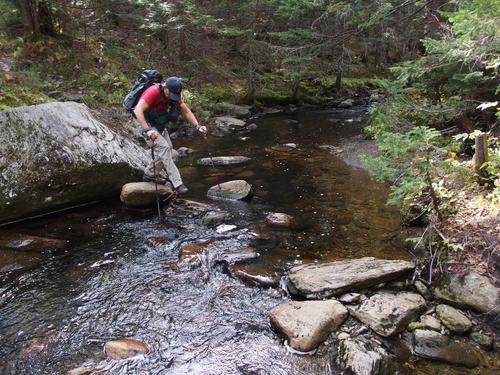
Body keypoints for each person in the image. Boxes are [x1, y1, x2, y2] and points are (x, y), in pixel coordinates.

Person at [134, 76, 207, 195]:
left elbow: (186, 111)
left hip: (158, 124)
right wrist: (147, 130)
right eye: (171, 93)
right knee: (164, 148)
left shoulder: (172, 94)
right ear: (165, 87)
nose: (172, 97)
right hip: (144, 123)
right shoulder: (153, 92)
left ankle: (150, 174)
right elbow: (138, 110)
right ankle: (178, 183)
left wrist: (197, 126)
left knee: (168, 148)